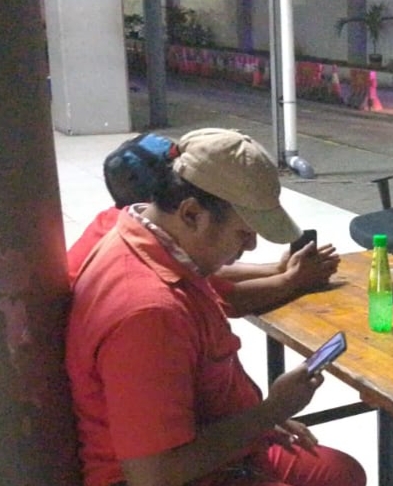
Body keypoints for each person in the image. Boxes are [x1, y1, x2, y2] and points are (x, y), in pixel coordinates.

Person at [65, 128, 366, 486]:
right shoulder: (148, 314)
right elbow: (153, 475)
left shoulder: (156, 241)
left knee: (340, 472)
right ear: (192, 214)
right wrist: (270, 411)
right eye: (243, 233)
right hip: (172, 475)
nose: (251, 247)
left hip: (207, 441)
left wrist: (256, 419)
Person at [66, 132, 340, 317]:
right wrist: (291, 281)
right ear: (187, 211)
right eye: (243, 232)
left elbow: (207, 276)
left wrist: (276, 270)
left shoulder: (126, 227)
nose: (251, 245)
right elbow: (223, 298)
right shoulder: (151, 304)